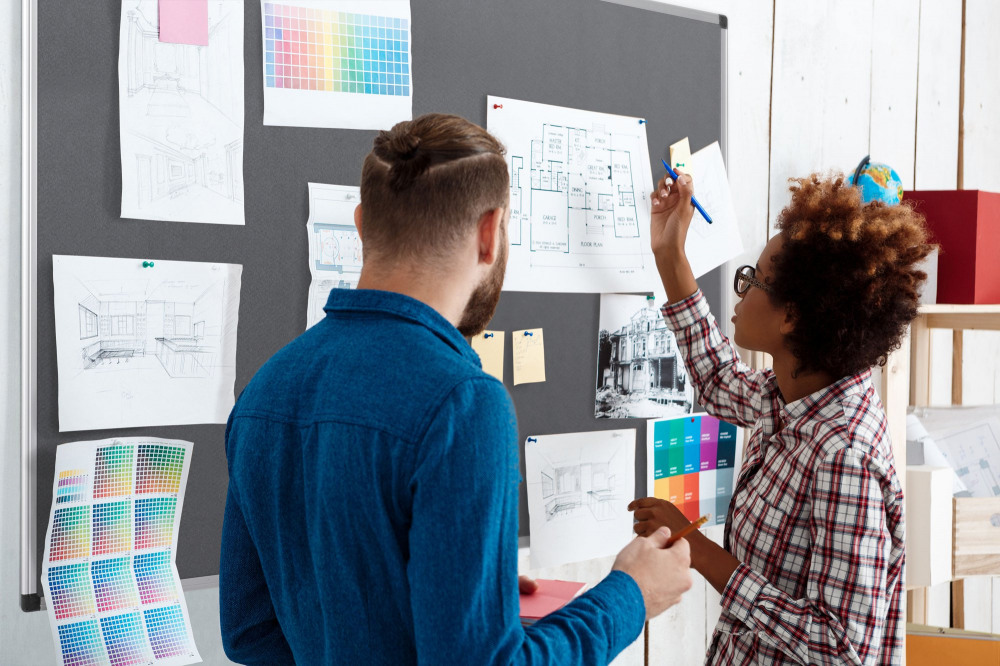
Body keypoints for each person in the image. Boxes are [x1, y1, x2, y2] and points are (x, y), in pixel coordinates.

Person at [219, 113, 693, 665]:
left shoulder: (264, 390)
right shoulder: (463, 403)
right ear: (490, 232)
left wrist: (461, 596)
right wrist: (630, 596)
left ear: (361, 224)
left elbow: (249, 632)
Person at [629, 170, 933, 665]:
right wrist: (670, 253)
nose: (741, 291)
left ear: (792, 315)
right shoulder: (798, 394)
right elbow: (719, 382)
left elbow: (841, 649)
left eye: (753, 280)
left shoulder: (843, 455)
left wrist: (701, 551)